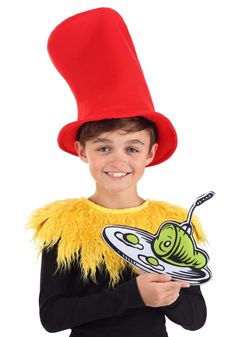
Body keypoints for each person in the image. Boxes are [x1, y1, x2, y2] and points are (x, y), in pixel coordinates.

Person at [27, 7, 207, 337]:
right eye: (104, 147)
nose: (118, 160)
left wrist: (169, 293)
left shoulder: (171, 224)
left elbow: (195, 318)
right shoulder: (64, 225)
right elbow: (52, 316)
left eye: (133, 148)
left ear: (150, 153)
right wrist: (133, 294)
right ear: (83, 151)